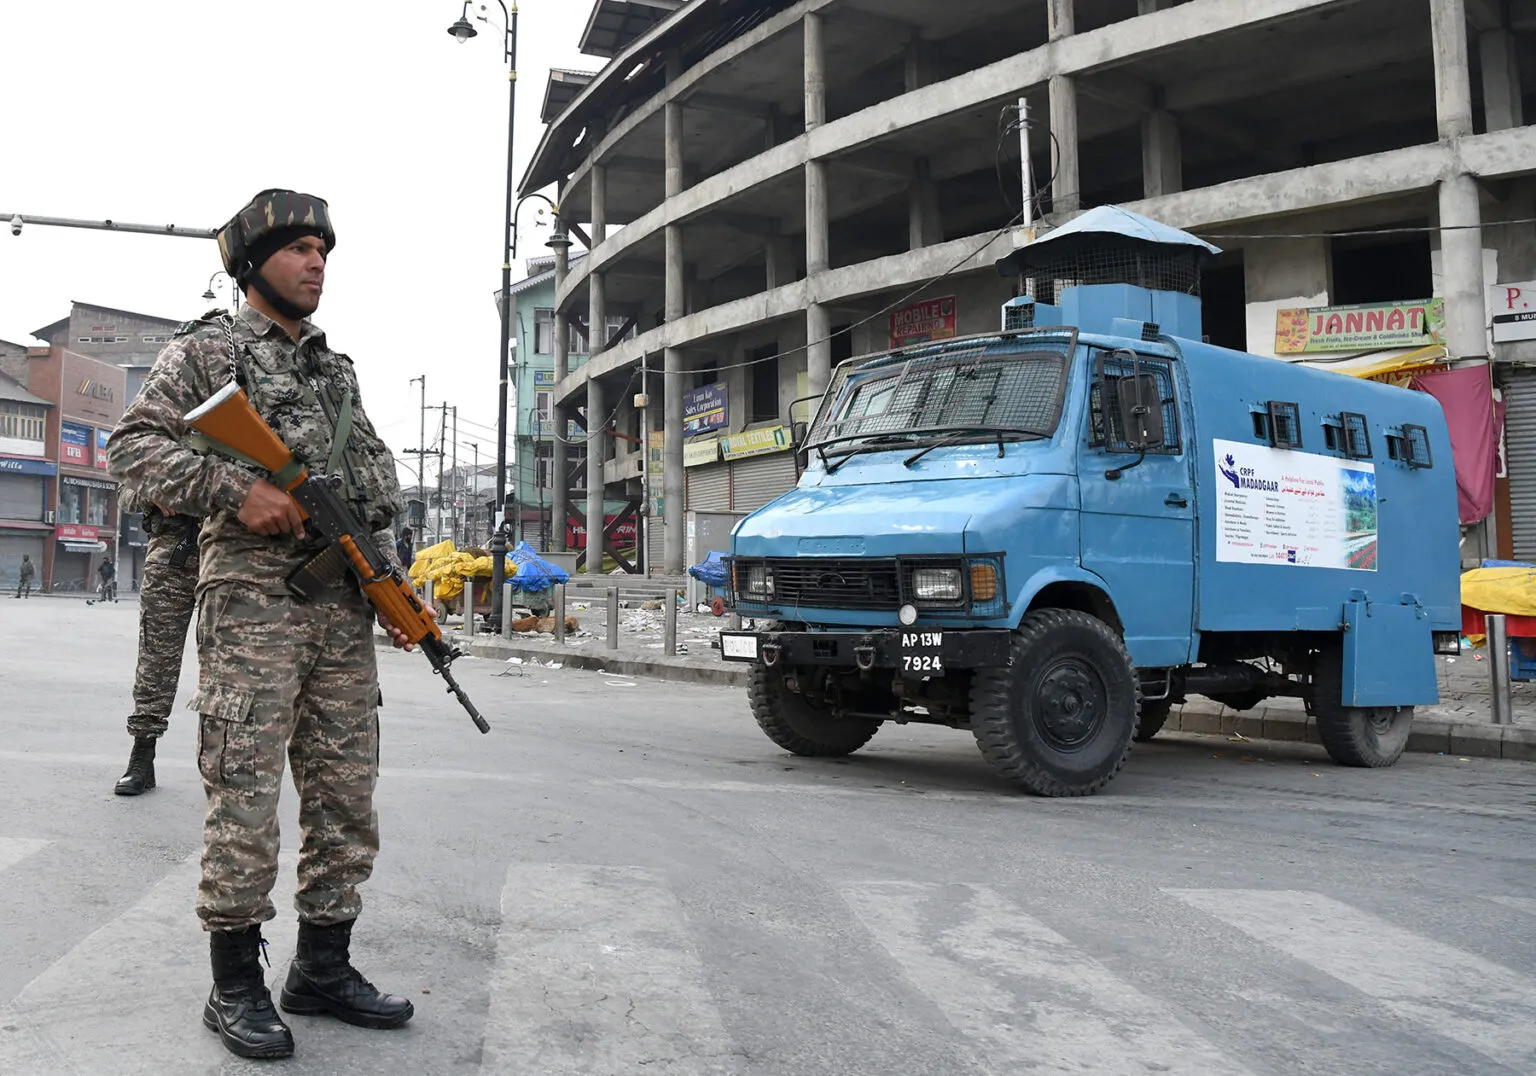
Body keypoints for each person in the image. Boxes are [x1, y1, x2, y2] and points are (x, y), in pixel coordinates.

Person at [108, 189, 418, 1061]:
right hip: (252, 609)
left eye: (325, 249)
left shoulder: (335, 371)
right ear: (252, 264)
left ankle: (322, 964)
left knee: (344, 792)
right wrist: (237, 490)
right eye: (299, 248)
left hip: (341, 609)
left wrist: (396, 587)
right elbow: (131, 448)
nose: (317, 262)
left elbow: (371, 490)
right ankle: (234, 981)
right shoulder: (206, 352)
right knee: (243, 794)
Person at [113, 493, 202, 796]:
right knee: (156, 657)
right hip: (170, 554)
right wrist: (155, 493)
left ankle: (226, 760)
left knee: (225, 660)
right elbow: (125, 493)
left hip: (231, 552)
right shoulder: (163, 444)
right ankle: (142, 753)